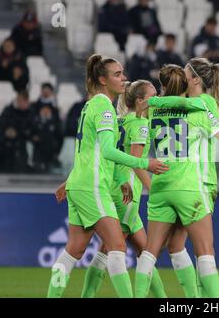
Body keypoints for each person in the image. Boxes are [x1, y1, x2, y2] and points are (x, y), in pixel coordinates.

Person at [135, 62, 219, 298]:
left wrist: (154, 101)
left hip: (161, 186)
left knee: (153, 251)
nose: (184, 76)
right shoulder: (204, 104)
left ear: (195, 79)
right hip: (192, 186)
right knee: (205, 252)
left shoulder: (155, 109)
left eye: (186, 72)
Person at [46, 54, 168, 298]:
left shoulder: (90, 105)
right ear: (102, 80)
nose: (124, 78)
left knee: (74, 250)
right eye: (117, 74)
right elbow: (109, 151)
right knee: (117, 246)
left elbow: (89, 151)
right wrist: (146, 162)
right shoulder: (104, 108)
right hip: (92, 186)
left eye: (123, 73)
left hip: (81, 183)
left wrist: (72, 181)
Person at [0, 90, 33, 173]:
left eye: (24, 101)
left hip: (21, 146)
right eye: (19, 100)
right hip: (5, 146)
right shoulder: (8, 111)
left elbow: (31, 129)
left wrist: (17, 133)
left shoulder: (30, 112)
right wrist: (6, 133)